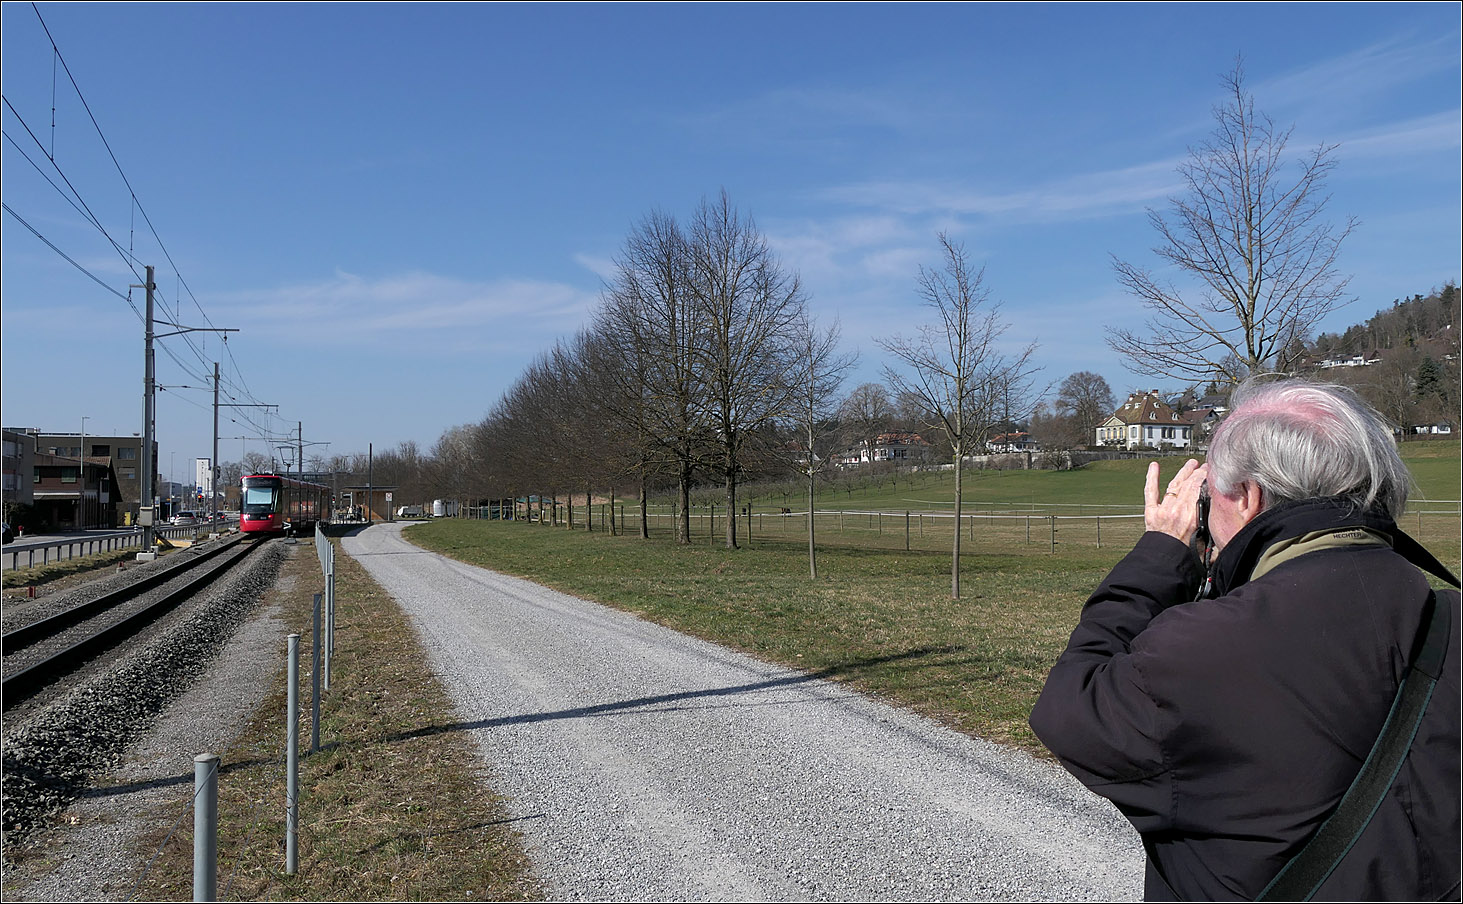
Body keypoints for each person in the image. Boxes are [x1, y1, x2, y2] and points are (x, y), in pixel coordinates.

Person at [1029, 378, 1459, 901]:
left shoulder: (1197, 651)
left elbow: (1070, 709)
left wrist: (1162, 552)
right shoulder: (1450, 619)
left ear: (1249, 498)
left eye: (1211, 496)